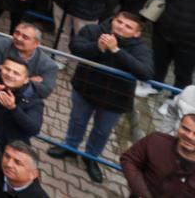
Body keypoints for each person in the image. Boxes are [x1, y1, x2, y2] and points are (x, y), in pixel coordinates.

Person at [49, 11, 155, 183]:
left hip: (115, 101)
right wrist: (97, 47)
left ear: (137, 33)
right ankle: (69, 147)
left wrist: (116, 51)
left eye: (128, 26)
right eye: (119, 21)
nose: (121, 26)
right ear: (113, 20)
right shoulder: (94, 30)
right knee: (77, 121)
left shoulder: (141, 49)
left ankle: (91, 157)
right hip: (85, 89)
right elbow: (75, 46)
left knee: (102, 132)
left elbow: (146, 73)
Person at [120, 111, 195, 198]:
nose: (189, 136)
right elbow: (129, 159)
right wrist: (142, 193)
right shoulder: (156, 141)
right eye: (185, 129)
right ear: (179, 126)